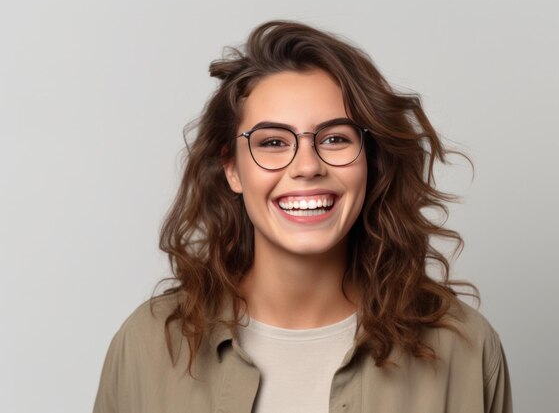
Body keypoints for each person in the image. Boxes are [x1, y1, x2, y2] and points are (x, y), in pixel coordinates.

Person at [93, 20, 512, 413]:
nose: (307, 166)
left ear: (370, 160)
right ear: (232, 168)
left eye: (334, 138)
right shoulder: (147, 348)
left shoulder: (467, 350)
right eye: (273, 141)